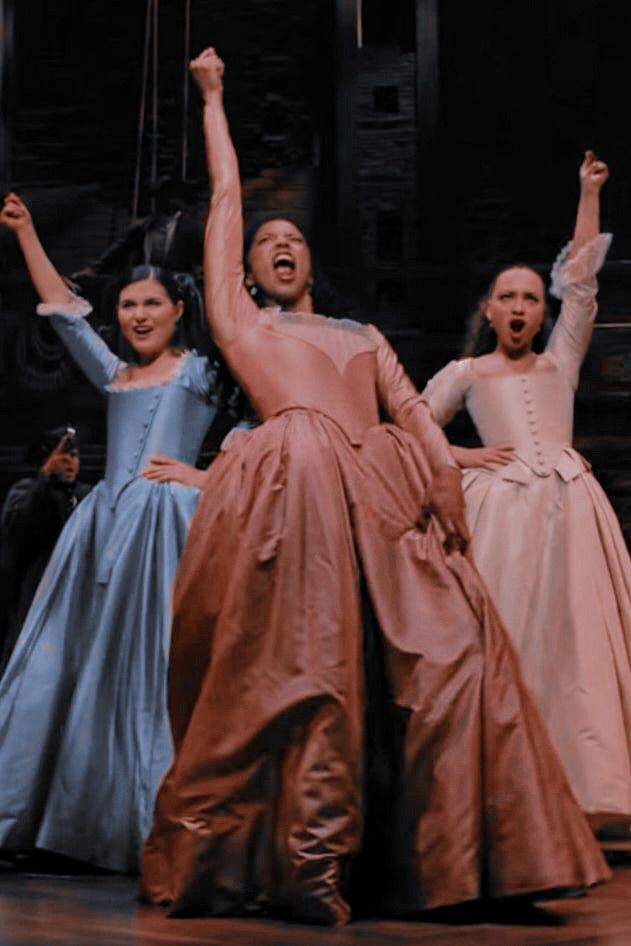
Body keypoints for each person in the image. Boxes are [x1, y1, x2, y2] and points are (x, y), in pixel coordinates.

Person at [139, 49, 609, 926]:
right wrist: (212, 99)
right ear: (243, 274)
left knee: (455, 659)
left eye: (295, 241)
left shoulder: (359, 332)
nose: (281, 245)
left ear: (313, 263)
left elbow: (415, 419)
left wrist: (444, 504)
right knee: (310, 677)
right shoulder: (243, 323)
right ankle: (305, 867)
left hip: (383, 508)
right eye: (266, 245)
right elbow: (230, 198)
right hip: (302, 508)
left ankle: (477, 860)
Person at [0, 192, 222, 872]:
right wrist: (27, 232)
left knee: (153, 672)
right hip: (104, 531)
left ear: (179, 310)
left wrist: (203, 478)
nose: (138, 315)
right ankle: (65, 818)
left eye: (151, 304)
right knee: (71, 669)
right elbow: (67, 318)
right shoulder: (118, 374)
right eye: (128, 307)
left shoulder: (203, 372)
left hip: (164, 531)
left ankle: (147, 822)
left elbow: (258, 430)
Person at [422, 152, 631, 830]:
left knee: (574, 646)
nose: (518, 306)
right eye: (506, 297)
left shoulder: (558, 357)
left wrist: (586, 192)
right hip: (501, 518)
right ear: (488, 309)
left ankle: (576, 788)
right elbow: (411, 430)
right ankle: (504, 791)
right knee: (509, 639)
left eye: (528, 299)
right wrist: (466, 455)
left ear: (540, 313)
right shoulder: (465, 369)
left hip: (568, 513)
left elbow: (581, 281)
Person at [0, 425, 90, 676]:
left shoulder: (87, 498)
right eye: (64, 455)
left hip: (76, 605)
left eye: (74, 455)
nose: (70, 462)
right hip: (36, 602)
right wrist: (46, 476)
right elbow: (19, 531)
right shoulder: (25, 492)